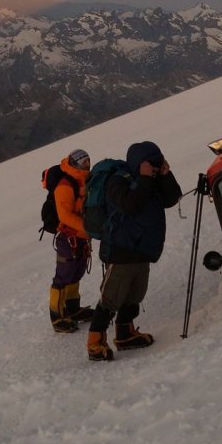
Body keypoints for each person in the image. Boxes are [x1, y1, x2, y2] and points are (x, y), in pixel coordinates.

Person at [86, 141, 181, 362]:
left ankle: (125, 333)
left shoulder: (151, 179)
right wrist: (146, 179)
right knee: (112, 297)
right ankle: (95, 341)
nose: (155, 167)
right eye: (152, 163)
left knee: (135, 295)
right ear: (140, 163)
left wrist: (165, 175)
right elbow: (129, 204)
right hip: (121, 249)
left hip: (142, 248)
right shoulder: (118, 180)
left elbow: (171, 198)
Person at [47, 149, 95, 333]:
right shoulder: (66, 185)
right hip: (69, 238)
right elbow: (65, 215)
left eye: (88, 161)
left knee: (76, 272)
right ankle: (57, 317)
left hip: (81, 238)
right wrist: (88, 227)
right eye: (83, 162)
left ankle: (73, 309)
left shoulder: (84, 180)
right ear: (75, 163)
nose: (87, 165)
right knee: (63, 275)